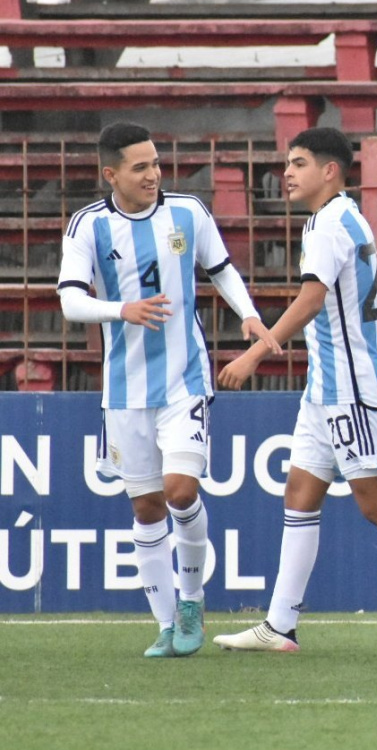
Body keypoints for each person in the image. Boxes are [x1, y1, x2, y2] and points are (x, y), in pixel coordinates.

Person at [210, 127, 377, 652]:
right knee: (300, 493)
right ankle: (279, 625)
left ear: (330, 170)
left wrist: (254, 353)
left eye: (298, 163)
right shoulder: (347, 218)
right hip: (328, 388)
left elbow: (312, 300)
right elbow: (372, 306)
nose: (286, 173)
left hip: (349, 389)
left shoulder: (330, 224)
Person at [57, 121, 280, 657]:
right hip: (125, 390)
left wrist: (248, 314)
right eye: (140, 167)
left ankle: (192, 600)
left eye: (156, 163)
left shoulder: (188, 212)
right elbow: (70, 301)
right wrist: (122, 309)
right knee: (147, 509)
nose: (153, 174)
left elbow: (221, 269)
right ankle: (166, 624)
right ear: (111, 174)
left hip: (185, 380)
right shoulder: (89, 225)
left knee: (181, 492)